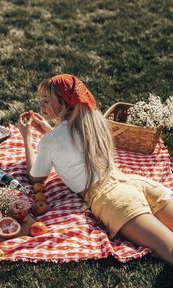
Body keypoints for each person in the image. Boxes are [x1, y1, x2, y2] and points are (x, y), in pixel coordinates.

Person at [18, 73, 173, 264]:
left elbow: (36, 178)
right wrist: (49, 132)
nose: (41, 105)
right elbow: (74, 145)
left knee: (168, 247)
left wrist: (25, 136)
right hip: (132, 182)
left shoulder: (51, 142)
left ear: (64, 103)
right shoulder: (93, 119)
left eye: (46, 100)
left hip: (112, 200)